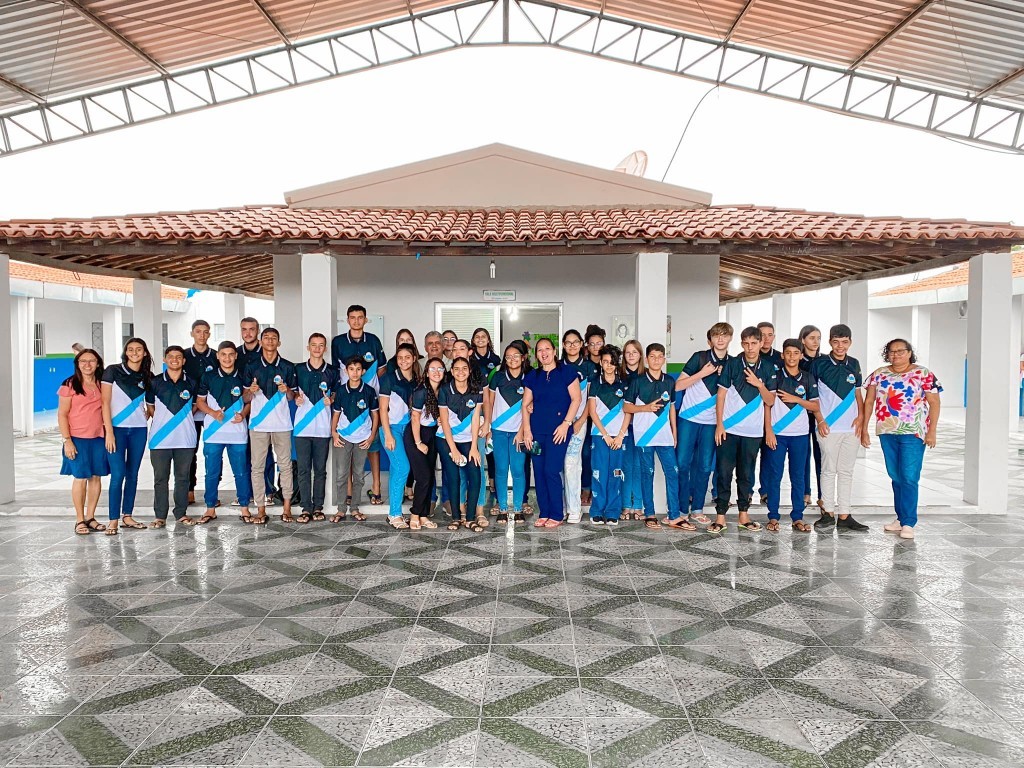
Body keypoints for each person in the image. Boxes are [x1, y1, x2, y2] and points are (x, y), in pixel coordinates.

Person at [862, 339, 942, 540]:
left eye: (900, 351)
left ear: (909, 353)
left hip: (913, 432)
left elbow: (934, 402)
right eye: (891, 351)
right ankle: (900, 518)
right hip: (887, 431)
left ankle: (908, 522)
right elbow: (869, 402)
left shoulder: (923, 374)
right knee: (895, 476)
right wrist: (864, 429)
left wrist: (932, 431)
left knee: (909, 477)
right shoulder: (879, 374)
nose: (896, 354)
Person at [711, 327, 778, 534]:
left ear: (761, 343)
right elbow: (721, 396)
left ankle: (743, 516)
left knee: (746, 475)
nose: (750, 348)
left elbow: (770, 401)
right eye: (746, 343)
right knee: (724, 473)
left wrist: (759, 385)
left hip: (753, 432)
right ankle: (720, 517)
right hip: (729, 430)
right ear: (741, 344)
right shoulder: (732, 364)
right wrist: (720, 424)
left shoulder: (768, 368)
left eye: (754, 343)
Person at [811, 324, 869, 533]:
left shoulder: (854, 363)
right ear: (830, 342)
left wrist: (861, 417)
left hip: (851, 428)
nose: (840, 346)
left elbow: (857, 393)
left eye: (844, 342)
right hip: (828, 427)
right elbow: (813, 396)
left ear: (850, 342)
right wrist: (820, 420)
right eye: (836, 342)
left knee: (846, 471)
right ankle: (828, 513)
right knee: (828, 470)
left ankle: (844, 515)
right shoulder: (819, 364)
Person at [674, 323, 731, 528]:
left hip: (711, 423)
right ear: (710, 340)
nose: (720, 339)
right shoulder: (699, 357)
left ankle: (697, 509)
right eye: (716, 335)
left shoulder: (733, 363)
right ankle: (681, 510)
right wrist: (702, 373)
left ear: (730, 338)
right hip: (688, 419)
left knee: (705, 466)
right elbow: (678, 386)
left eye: (724, 335)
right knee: (682, 464)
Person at [522, 338, 582, 528]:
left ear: (554, 351)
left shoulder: (567, 372)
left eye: (547, 349)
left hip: (559, 431)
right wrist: (527, 431)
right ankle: (544, 512)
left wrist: (566, 424)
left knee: (551, 470)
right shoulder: (533, 376)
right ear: (536, 355)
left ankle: (556, 513)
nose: (544, 353)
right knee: (539, 472)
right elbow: (525, 405)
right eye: (540, 350)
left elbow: (576, 399)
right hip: (537, 432)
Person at [331, 305, 387, 506]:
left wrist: (369, 385)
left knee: (372, 444)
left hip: (370, 401)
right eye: (352, 318)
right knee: (347, 445)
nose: (356, 321)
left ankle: (376, 487)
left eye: (360, 317)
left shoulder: (373, 340)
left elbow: (382, 368)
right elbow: (335, 370)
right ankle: (348, 491)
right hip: (346, 399)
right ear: (347, 320)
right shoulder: (338, 342)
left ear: (365, 320)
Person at [763, 339, 819, 533]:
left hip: (800, 435)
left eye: (796, 353)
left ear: (801, 355)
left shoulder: (808, 377)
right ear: (782, 355)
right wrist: (769, 431)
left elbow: (815, 406)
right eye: (788, 353)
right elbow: (768, 404)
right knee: (775, 475)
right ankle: (773, 516)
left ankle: (798, 517)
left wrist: (796, 399)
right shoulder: (775, 376)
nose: (792, 357)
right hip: (777, 434)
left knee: (798, 476)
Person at [624, 343, 681, 530]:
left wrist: (674, 432)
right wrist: (645, 408)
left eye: (660, 356)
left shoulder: (670, 381)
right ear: (646, 359)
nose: (656, 360)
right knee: (647, 474)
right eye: (652, 357)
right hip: (644, 436)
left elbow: (671, 408)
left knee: (672, 473)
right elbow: (626, 407)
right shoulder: (637, 381)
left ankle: (674, 515)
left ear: (664, 359)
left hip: (665, 436)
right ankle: (649, 513)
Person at [243, 327, 296, 525]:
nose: (270, 341)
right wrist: (251, 390)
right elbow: (245, 398)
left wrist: (286, 389)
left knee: (285, 466)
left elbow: (292, 396)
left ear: (279, 342)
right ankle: (261, 510)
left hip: (282, 425)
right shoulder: (251, 366)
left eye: (274, 338)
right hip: (258, 425)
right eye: (266, 338)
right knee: (257, 468)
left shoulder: (288, 367)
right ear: (261, 341)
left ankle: (287, 508)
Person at [196, 340, 251, 525]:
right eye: (223, 354)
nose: (227, 358)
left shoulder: (243, 376)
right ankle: (210, 508)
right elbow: (200, 402)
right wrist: (213, 413)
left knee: (241, 472)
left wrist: (243, 414)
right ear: (218, 356)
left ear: (236, 356)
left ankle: (244, 507)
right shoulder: (208, 377)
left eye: (231, 354)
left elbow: (249, 400)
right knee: (211, 472)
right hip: (213, 433)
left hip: (237, 433)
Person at [100, 338, 152, 533]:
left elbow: (150, 404)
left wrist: (147, 414)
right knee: (118, 474)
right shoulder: (112, 371)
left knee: (132, 474)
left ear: (144, 353)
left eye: (139, 349)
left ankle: (127, 516)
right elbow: (105, 403)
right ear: (126, 352)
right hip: (117, 430)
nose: (134, 352)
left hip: (139, 430)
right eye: (130, 349)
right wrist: (109, 432)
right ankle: (113, 520)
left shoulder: (147, 376)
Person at [147, 346, 199, 528]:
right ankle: (160, 516)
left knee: (183, 478)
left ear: (183, 361)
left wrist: (181, 420)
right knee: (160, 479)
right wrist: (165, 422)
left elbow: (196, 406)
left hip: (185, 438)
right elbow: (150, 407)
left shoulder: (192, 382)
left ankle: (181, 513)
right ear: (165, 359)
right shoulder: (154, 382)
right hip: (159, 439)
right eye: (171, 357)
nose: (175, 360)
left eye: (178, 357)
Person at [59, 348, 109, 536]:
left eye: (92, 361)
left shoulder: (102, 383)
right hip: (76, 439)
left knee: (96, 477)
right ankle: (79, 520)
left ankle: (90, 517)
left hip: (98, 438)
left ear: (98, 363)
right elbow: (62, 414)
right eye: (83, 361)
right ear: (77, 364)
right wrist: (67, 441)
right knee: (80, 478)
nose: (87, 364)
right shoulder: (69, 384)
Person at [292, 333, 338, 524]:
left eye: (321, 345)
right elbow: (291, 392)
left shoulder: (332, 371)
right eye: (314, 345)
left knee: (320, 470)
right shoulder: (299, 369)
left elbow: (337, 393)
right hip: (302, 429)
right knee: (303, 470)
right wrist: (295, 398)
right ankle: (305, 508)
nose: (317, 348)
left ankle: (318, 507)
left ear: (325, 348)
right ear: (308, 347)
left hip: (322, 428)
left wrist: (332, 399)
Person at [484, 343, 528, 525]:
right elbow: (489, 403)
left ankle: (517, 509)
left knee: (518, 470)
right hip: (499, 431)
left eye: (516, 355)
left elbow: (530, 408)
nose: (512, 359)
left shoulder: (529, 377)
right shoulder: (498, 377)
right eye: (508, 356)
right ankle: (502, 508)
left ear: (523, 358)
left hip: (519, 433)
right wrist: (488, 427)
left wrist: (522, 431)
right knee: (501, 470)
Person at [439, 357, 485, 531]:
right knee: (454, 477)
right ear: (452, 371)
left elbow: (476, 419)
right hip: (446, 439)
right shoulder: (445, 390)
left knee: (475, 475)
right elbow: (444, 421)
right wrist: (453, 450)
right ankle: (456, 518)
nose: (460, 372)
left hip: (468, 439)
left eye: (464, 368)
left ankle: (471, 518)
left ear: (469, 371)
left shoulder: (476, 389)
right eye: (456, 368)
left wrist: (474, 447)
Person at [331, 356, 379, 522]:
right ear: (346, 371)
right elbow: (336, 414)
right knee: (341, 474)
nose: (355, 372)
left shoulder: (369, 391)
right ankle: (341, 509)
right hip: (343, 437)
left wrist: (371, 436)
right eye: (351, 369)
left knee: (358, 475)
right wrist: (334, 433)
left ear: (363, 371)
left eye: (358, 369)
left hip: (363, 438)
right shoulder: (341, 391)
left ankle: (355, 508)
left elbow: (375, 415)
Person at [588, 344, 630, 526]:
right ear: (601, 363)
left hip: (620, 437)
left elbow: (628, 411)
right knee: (599, 473)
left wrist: (620, 435)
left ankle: (613, 511)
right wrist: (605, 435)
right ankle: (597, 511)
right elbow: (592, 411)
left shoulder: (625, 383)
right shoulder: (595, 382)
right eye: (605, 361)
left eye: (612, 362)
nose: (609, 365)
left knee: (616, 473)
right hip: (600, 436)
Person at [379, 343, 420, 529]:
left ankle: (394, 512)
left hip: (409, 430)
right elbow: (382, 408)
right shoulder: (389, 378)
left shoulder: (417, 380)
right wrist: (388, 434)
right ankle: (394, 513)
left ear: (414, 358)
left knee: (397, 469)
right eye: (400, 357)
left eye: (407, 357)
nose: (404, 361)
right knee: (403, 467)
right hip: (392, 429)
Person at [236, 316, 274, 505]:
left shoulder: (267, 351)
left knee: (265, 453)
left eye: (252, 329)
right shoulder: (235, 354)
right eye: (244, 329)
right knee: (244, 453)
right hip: (240, 411)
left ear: (258, 331)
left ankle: (269, 491)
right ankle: (247, 492)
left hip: (264, 412)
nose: (248, 333)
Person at [560, 328, 594, 524]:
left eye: (575, 342)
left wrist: (581, 421)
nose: (572, 345)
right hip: (559, 424)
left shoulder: (589, 368)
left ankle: (574, 508)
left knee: (572, 463)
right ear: (563, 346)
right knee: (560, 465)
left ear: (581, 344)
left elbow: (591, 398)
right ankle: (562, 507)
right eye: (568, 342)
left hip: (579, 422)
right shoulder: (558, 366)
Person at [407, 357, 444, 530]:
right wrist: (418, 442)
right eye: (432, 369)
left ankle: (423, 516)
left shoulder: (442, 390)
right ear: (427, 373)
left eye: (440, 369)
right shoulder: (421, 391)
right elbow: (415, 418)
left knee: (429, 477)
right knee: (423, 477)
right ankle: (415, 514)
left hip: (431, 435)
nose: (436, 372)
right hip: (416, 435)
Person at [183, 320, 216, 505]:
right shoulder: (184, 356)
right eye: (198, 331)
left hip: (211, 411)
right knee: (190, 451)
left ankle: (212, 491)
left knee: (212, 452)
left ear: (209, 334)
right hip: (190, 412)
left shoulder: (217, 356)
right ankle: (189, 489)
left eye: (205, 332)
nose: (202, 335)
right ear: (192, 333)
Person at [756, 321, 783, 506]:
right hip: (750, 414)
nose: (766, 338)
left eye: (770, 334)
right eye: (762, 335)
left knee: (769, 455)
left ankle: (765, 491)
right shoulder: (746, 357)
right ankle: (747, 492)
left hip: (775, 413)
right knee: (748, 457)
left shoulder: (781, 358)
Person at [579, 324, 606, 506]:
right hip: (587, 416)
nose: (596, 347)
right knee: (586, 453)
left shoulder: (610, 362)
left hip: (607, 417)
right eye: (592, 344)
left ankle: (601, 490)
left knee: (603, 455)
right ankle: (586, 488)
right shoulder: (585, 366)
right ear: (587, 346)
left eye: (599, 343)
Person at [619, 339, 646, 520]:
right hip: (623, 427)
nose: (631, 355)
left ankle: (638, 505)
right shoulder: (618, 376)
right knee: (626, 466)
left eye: (634, 352)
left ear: (640, 355)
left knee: (639, 466)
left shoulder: (647, 376)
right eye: (627, 352)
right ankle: (625, 505)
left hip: (642, 427)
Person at [799, 324, 824, 511]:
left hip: (821, 414)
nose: (815, 341)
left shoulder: (825, 361)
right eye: (811, 338)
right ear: (803, 340)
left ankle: (823, 495)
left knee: (821, 454)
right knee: (803, 455)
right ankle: (805, 492)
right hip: (801, 415)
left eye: (818, 338)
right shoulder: (797, 360)